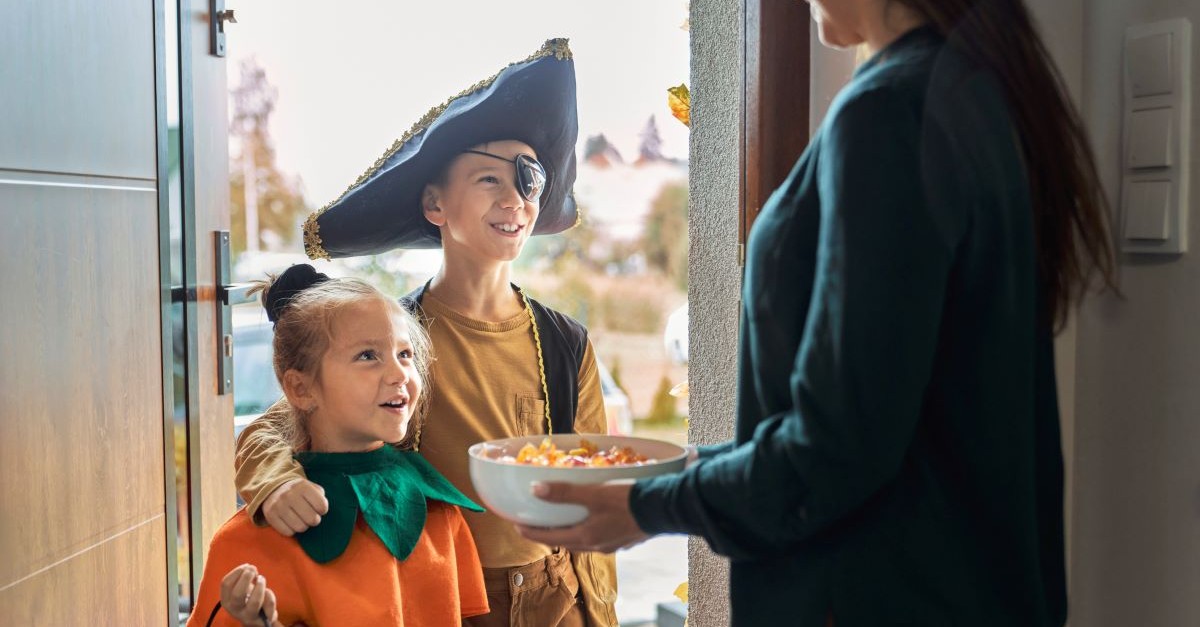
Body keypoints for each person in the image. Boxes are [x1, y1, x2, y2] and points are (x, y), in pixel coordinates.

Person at [517, 2, 1118, 626]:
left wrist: (647, 507)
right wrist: (690, 469)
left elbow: (836, 451)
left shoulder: (889, 113)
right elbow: (893, 415)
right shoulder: (975, 92)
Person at [235, 39, 618, 627]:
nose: (515, 198)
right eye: (489, 179)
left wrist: (600, 614)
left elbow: (595, 490)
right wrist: (274, 483)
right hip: (442, 593)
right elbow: (272, 428)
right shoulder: (394, 341)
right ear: (435, 204)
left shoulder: (566, 344)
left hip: (554, 598)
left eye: (528, 179)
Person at [189, 264, 488, 626]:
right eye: (367, 355)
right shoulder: (246, 545)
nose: (399, 374)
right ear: (300, 389)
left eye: (405, 354)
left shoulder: (441, 515)